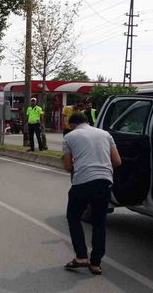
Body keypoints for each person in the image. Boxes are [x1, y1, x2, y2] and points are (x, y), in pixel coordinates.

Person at [62, 112, 122, 276]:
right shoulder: (105, 134)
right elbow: (117, 161)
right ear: (87, 121)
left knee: (73, 217)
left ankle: (81, 256)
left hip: (82, 182)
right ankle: (95, 263)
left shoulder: (69, 137)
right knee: (99, 222)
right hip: (104, 182)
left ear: (72, 124)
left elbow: (68, 167)